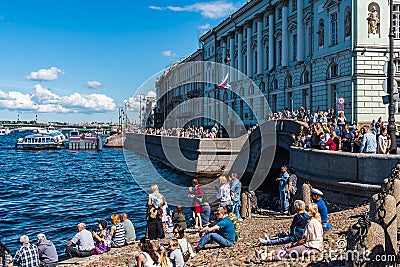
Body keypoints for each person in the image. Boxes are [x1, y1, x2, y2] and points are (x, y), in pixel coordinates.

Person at [257, 203, 323, 262]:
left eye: (307, 210)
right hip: (316, 246)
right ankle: (267, 254)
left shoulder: (311, 223)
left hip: (312, 247)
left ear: (311, 212)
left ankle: (267, 258)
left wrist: (293, 244)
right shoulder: (317, 221)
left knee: (288, 251)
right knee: (286, 247)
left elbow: (304, 240)